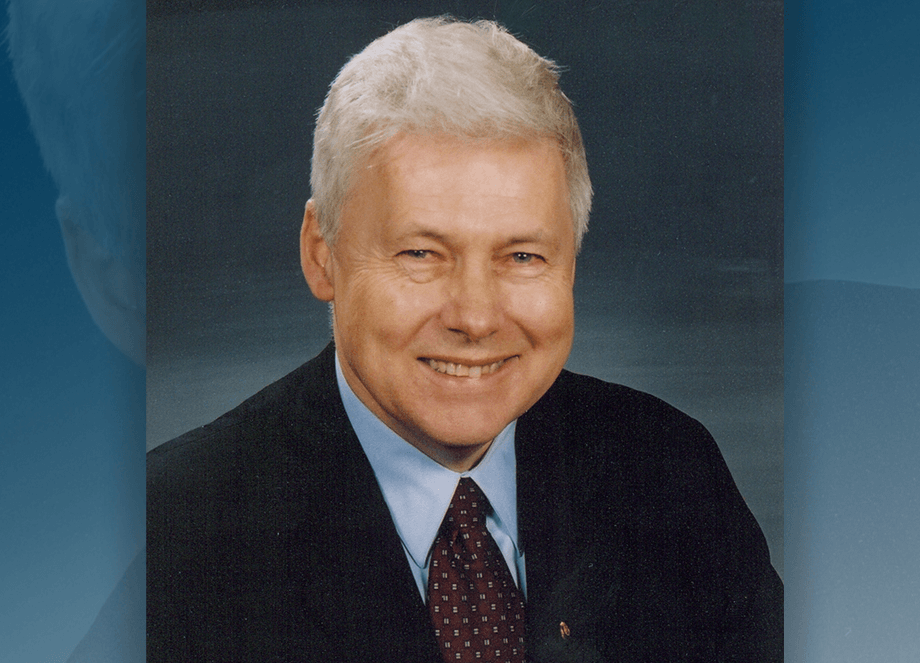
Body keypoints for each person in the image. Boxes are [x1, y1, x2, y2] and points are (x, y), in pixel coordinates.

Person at [147, 17, 782, 662]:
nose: (476, 318)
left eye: (523, 256)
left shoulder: (667, 471)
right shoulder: (175, 532)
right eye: (421, 253)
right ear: (322, 256)